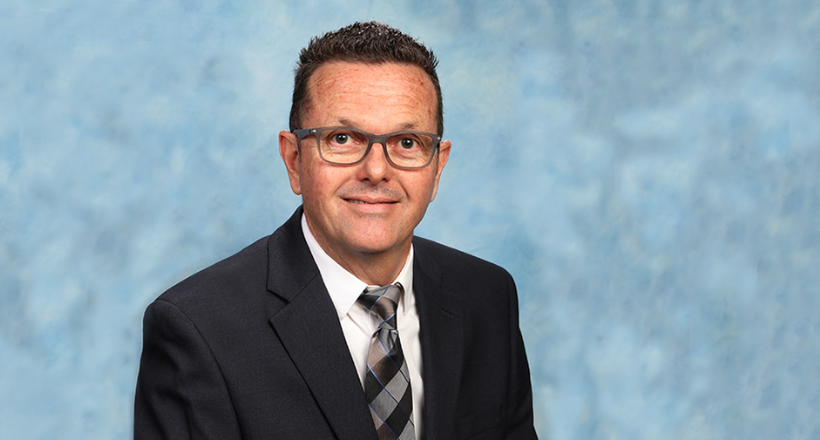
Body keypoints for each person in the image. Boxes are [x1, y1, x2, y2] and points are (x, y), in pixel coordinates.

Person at [134, 21, 537, 440]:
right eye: (342, 138)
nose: (376, 170)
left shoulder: (487, 297)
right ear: (293, 160)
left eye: (407, 142)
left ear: (437, 166)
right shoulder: (198, 329)